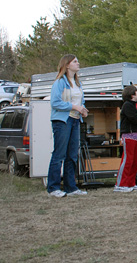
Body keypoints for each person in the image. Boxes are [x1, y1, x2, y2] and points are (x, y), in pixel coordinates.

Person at [47, 54, 89, 198]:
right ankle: (53, 187)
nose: (78, 63)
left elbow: (80, 101)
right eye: (75, 61)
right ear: (67, 65)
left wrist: (82, 109)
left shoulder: (78, 83)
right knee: (59, 154)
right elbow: (55, 103)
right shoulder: (59, 82)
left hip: (76, 121)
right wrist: (74, 107)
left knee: (72, 155)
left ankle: (71, 187)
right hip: (62, 121)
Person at [114, 85, 137, 193]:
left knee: (135, 160)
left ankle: (131, 183)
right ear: (132, 95)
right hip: (129, 135)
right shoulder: (127, 105)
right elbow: (135, 119)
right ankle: (120, 184)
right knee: (127, 160)